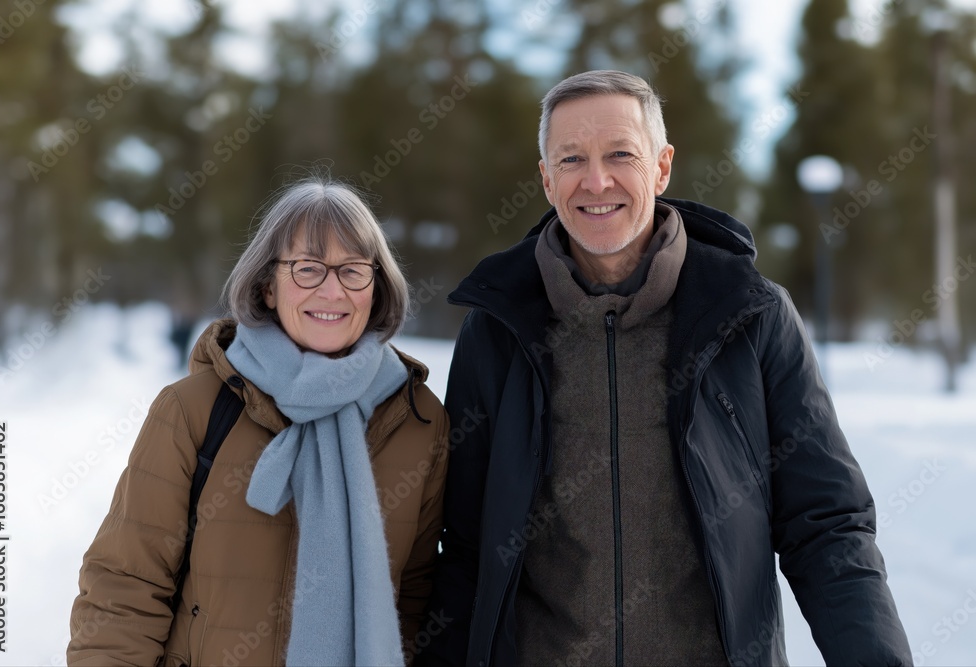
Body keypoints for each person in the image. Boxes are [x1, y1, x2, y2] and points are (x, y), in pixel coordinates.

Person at [421, 70, 912, 666]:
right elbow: (468, 546)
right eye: (571, 158)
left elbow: (827, 524)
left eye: (620, 153)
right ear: (547, 180)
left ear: (661, 166)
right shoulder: (497, 327)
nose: (595, 180)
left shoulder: (749, 314)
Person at [68, 178, 450, 666]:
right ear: (267, 285)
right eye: (308, 269)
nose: (332, 291)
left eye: (353, 270)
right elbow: (124, 586)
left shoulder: (418, 422)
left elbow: (417, 597)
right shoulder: (194, 410)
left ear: (375, 287)